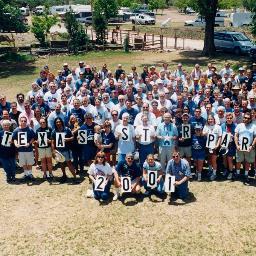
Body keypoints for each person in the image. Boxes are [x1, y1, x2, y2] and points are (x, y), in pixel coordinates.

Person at [51, 117, 78, 183]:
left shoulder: (67, 129)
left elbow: (73, 137)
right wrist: (53, 150)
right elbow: (52, 142)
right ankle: (64, 175)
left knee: (69, 164)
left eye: (59, 121)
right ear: (55, 123)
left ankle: (74, 177)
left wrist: (68, 139)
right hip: (59, 150)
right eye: (57, 122)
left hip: (66, 150)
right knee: (61, 164)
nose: (58, 123)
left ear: (61, 122)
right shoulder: (54, 131)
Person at [234, 112, 256, 183]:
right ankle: (237, 173)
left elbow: (255, 137)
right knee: (238, 161)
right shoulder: (239, 125)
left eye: (248, 118)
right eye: (245, 117)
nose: (246, 119)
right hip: (240, 147)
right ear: (243, 118)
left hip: (249, 148)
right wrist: (237, 145)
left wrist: (252, 146)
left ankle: (246, 175)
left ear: (250, 119)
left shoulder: (254, 126)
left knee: (247, 162)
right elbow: (236, 136)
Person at [13, 116, 36, 181]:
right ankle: (26, 174)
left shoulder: (30, 129)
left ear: (26, 122)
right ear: (19, 121)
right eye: (22, 121)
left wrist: (29, 143)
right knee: (23, 163)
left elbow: (33, 137)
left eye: (25, 121)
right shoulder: (16, 130)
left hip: (29, 149)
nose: (23, 122)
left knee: (29, 162)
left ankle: (30, 174)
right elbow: (14, 138)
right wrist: (16, 144)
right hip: (21, 150)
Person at [203, 114, 222, 181]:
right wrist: (204, 134)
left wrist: (217, 145)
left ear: (214, 119)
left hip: (215, 146)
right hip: (208, 146)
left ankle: (214, 173)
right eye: (209, 119)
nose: (210, 120)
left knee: (214, 160)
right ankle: (210, 170)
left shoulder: (218, 127)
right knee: (209, 159)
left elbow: (220, 136)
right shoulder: (206, 126)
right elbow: (203, 134)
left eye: (211, 119)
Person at [221, 113, 236, 180]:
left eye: (230, 118)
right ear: (226, 118)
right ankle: (225, 169)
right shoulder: (223, 125)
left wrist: (233, 136)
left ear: (232, 118)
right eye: (228, 118)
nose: (229, 119)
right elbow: (220, 135)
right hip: (224, 145)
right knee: (224, 158)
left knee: (230, 159)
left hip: (231, 145)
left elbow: (237, 135)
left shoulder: (235, 126)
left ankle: (231, 172)